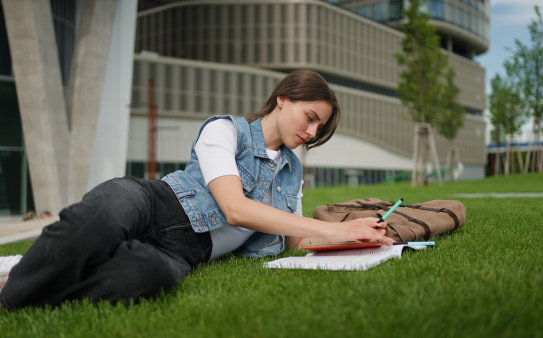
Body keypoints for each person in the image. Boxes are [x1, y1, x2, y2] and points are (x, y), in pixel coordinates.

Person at [0, 70, 392, 310]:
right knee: (105, 214)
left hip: (183, 253)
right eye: (310, 118)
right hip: (154, 204)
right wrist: (333, 229)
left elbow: (294, 242)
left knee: (147, 277)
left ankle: (28, 275)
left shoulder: (291, 172)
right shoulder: (225, 130)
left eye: (319, 129)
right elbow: (234, 208)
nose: (311, 132)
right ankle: (12, 296)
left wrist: (357, 237)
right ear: (283, 97)